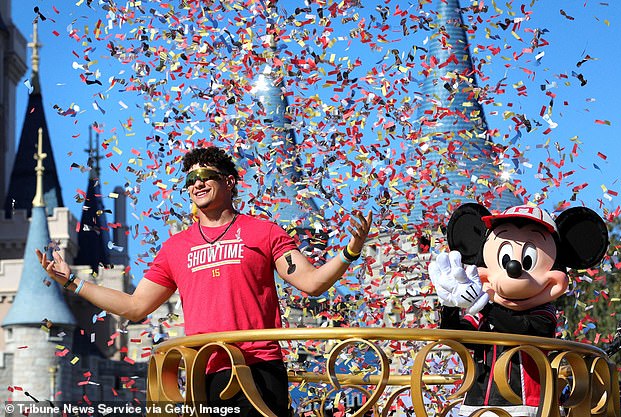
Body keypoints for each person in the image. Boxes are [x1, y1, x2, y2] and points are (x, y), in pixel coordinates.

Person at [36, 145, 373, 416]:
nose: (196, 184)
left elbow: (311, 283)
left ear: (229, 182)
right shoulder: (175, 248)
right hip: (205, 372)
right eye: (190, 180)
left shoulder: (264, 233)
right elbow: (136, 307)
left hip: (259, 368)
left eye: (205, 176)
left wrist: (349, 252)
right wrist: (73, 284)